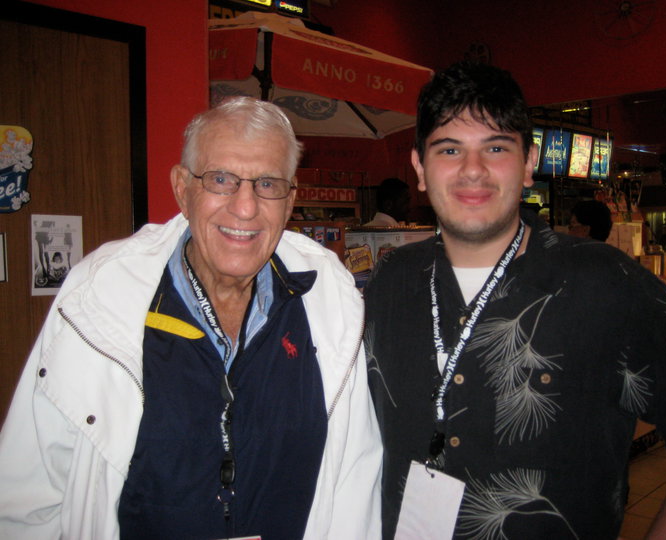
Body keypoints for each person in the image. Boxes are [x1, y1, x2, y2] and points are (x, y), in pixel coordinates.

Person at [364, 60, 666, 539]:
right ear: (419, 169)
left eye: (496, 147)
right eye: (449, 149)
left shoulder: (605, 284)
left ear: (529, 164)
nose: (473, 169)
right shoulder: (390, 282)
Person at [0, 97, 381, 540]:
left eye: (268, 184)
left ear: (290, 199)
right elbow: (27, 496)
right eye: (221, 179)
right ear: (183, 189)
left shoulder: (329, 300)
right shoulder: (98, 298)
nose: (245, 207)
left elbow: (357, 482)